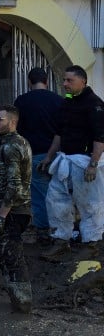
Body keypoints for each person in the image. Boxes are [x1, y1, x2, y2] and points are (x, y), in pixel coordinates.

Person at [40, 65, 104, 260]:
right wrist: (49, 157)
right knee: (55, 200)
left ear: (82, 81)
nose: (65, 84)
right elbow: (60, 133)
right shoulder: (67, 103)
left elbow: (100, 137)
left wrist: (93, 164)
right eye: (64, 80)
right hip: (65, 160)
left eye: (69, 80)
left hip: (85, 162)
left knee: (90, 204)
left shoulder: (95, 104)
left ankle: (92, 244)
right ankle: (61, 241)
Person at [0, 105, 33, 313]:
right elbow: (5, 166)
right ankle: (17, 297)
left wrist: (0, 217)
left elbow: (14, 185)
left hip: (13, 210)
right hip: (16, 209)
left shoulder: (11, 146)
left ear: (12, 122)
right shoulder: (14, 143)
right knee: (1, 253)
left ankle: (23, 302)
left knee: (10, 254)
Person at [13, 67, 63, 243]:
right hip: (58, 155)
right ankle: (61, 230)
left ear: (29, 81)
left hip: (34, 154)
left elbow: (16, 130)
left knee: (40, 195)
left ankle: (43, 231)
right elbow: (62, 129)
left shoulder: (21, 101)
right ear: (47, 81)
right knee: (59, 194)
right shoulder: (58, 100)